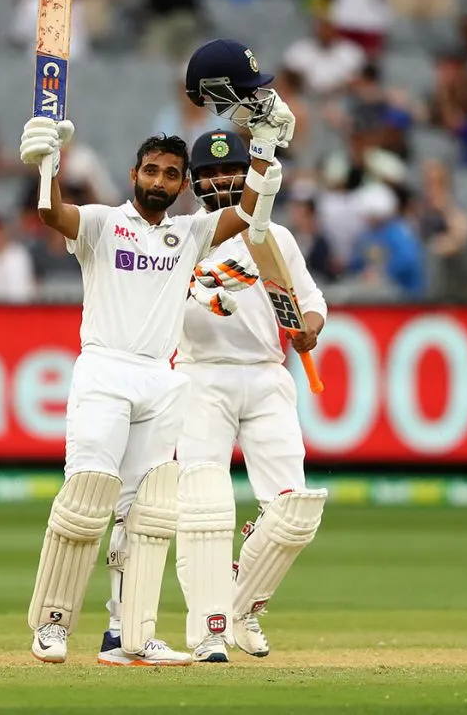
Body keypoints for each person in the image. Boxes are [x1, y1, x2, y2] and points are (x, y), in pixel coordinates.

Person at [19, 38, 292, 667]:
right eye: (152, 171)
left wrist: (267, 150)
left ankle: (128, 634)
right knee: (89, 493)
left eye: (173, 174)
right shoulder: (101, 223)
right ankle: (54, 624)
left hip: (158, 381)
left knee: (144, 515)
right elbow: (50, 212)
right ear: (134, 175)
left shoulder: (188, 233)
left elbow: (249, 215)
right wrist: (45, 161)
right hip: (105, 371)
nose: (162, 181)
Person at [155, 129, 327, 663]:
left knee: (292, 512)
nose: (221, 180)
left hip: (267, 375)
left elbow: (310, 300)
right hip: (202, 378)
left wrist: (310, 330)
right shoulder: (178, 238)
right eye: (209, 173)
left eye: (230, 171)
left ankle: (242, 607)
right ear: (194, 183)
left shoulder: (274, 237)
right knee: (201, 511)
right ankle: (206, 630)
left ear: (247, 177)